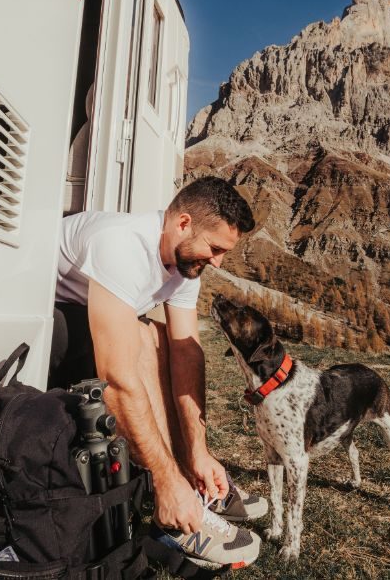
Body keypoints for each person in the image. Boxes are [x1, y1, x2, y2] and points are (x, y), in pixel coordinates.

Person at [49, 176, 265, 568]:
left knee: (166, 339)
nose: (217, 262)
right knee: (141, 339)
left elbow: (187, 352)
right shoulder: (122, 244)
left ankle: (193, 485)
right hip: (44, 317)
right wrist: (165, 482)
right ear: (182, 223)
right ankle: (176, 503)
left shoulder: (184, 262)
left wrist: (198, 452)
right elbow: (115, 380)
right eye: (214, 248)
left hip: (82, 319)